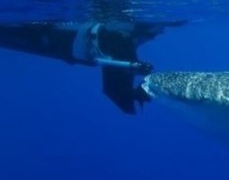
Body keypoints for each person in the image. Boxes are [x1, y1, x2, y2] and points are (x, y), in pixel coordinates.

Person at [0, 19, 188, 114]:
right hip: (53, 42)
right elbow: (116, 93)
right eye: (154, 33)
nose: (157, 35)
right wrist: (142, 93)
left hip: (54, 38)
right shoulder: (122, 42)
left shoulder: (121, 37)